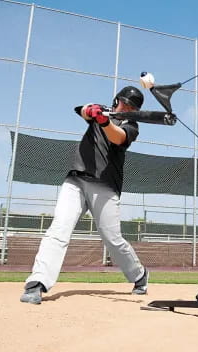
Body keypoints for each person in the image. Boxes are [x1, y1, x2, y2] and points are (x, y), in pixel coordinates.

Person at [20, 86, 149, 304]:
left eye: (132, 106)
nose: (126, 107)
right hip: (76, 180)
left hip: (105, 187)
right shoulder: (102, 112)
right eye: (124, 102)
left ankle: (139, 275)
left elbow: (118, 138)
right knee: (59, 228)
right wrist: (92, 111)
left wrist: (104, 122)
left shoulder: (131, 126)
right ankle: (37, 283)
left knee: (113, 240)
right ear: (117, 99)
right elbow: (82, 110)